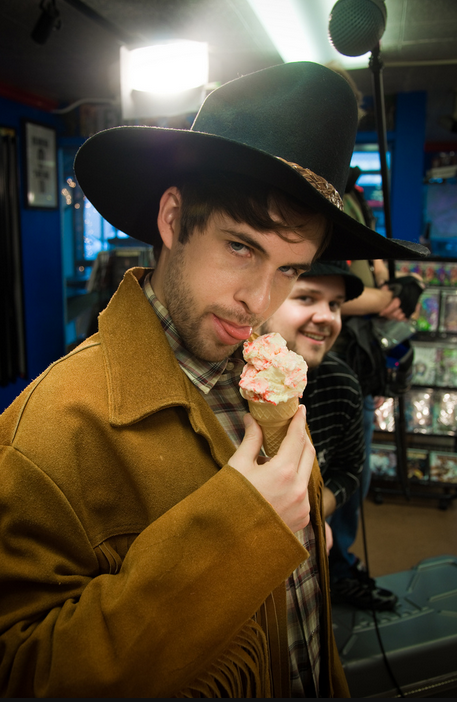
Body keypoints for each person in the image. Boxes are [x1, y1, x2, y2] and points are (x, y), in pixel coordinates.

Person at [0, 61, 426, 698]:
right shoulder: (48, 431)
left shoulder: (272, 375)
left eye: (289, 269)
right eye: (240, 247)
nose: (258, 298)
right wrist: (238, 529)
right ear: (173, 219)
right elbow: (21, 673)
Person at [261, 259, 399, 611]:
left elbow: (349, 468)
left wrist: (308, 517)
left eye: (335, 304)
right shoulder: (225, 387)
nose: (327, 317)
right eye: (307, 298)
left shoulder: (341, 382)